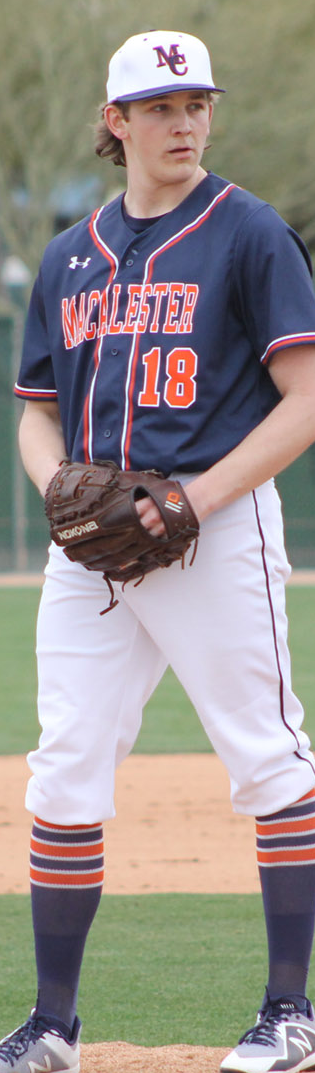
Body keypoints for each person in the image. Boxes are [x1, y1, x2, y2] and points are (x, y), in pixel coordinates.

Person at [3, 26, 315, 1073]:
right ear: (117, 121)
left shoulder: (250, 232)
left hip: (214, 532)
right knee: (65, 771)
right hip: (93, 549)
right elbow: (36, 413)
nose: (184, 122)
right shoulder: (69, 254)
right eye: (161, 106)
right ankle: (52, 1025)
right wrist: (58, 485)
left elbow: (306, 399)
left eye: (197, 105)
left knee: (267, 758)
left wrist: (198, 499)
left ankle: (288, 1012)